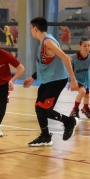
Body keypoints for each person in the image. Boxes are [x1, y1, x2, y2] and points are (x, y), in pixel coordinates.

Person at [23, 16, 79, 147]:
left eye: (31, 29)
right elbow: (47, 65)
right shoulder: (44, 42)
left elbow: (65, 58)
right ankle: (45, 136)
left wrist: (73, 80)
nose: (31, 31)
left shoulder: (48, 42)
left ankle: (69, 121)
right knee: (38, 107)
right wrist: (33, 77)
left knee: (43, 109)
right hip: (49, 79)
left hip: (57, 80)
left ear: (35, 29)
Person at [69, 37, 90, 119]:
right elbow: (66, 63)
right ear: (80, 46)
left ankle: (85, 108)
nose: (87, 47)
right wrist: (70, 79)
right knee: (82, 92)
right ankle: (75, 109)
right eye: (84, 46)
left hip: (86, 79)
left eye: (88, 45)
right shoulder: (74, 56)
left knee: (87, 96)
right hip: (77, 79)